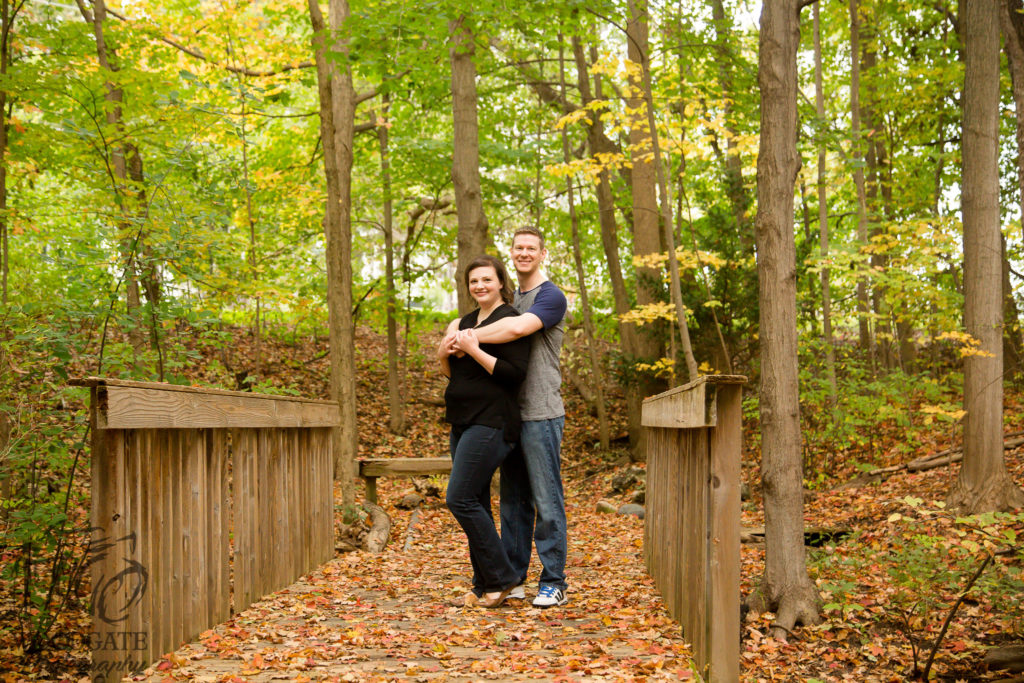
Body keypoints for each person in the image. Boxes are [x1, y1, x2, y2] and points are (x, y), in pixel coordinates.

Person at [450, 227, 569, 608]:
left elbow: (517, 328)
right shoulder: (513, 297)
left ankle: (553, 580)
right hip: (510, 415)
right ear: (511, 254)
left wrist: (466, 338)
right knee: (513, 502)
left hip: (541, 411)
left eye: (531, 248)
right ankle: (514, 578)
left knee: (546, 501)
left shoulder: (549, 296)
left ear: (543, 253)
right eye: (518, 248)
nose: (524, 253)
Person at [438, 255, 533, 608]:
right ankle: (483, 584)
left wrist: (474, 349)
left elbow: (514, 374)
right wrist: (442, 353)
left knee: (458, 497)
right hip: (461, 419)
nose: (480, 286)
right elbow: (453, 375)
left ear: (500, 282)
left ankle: (503, 577)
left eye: (486, 280)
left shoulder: (512, 320)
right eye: (473, 281)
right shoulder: (461, 322)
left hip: (493, 421)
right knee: (475, 500)